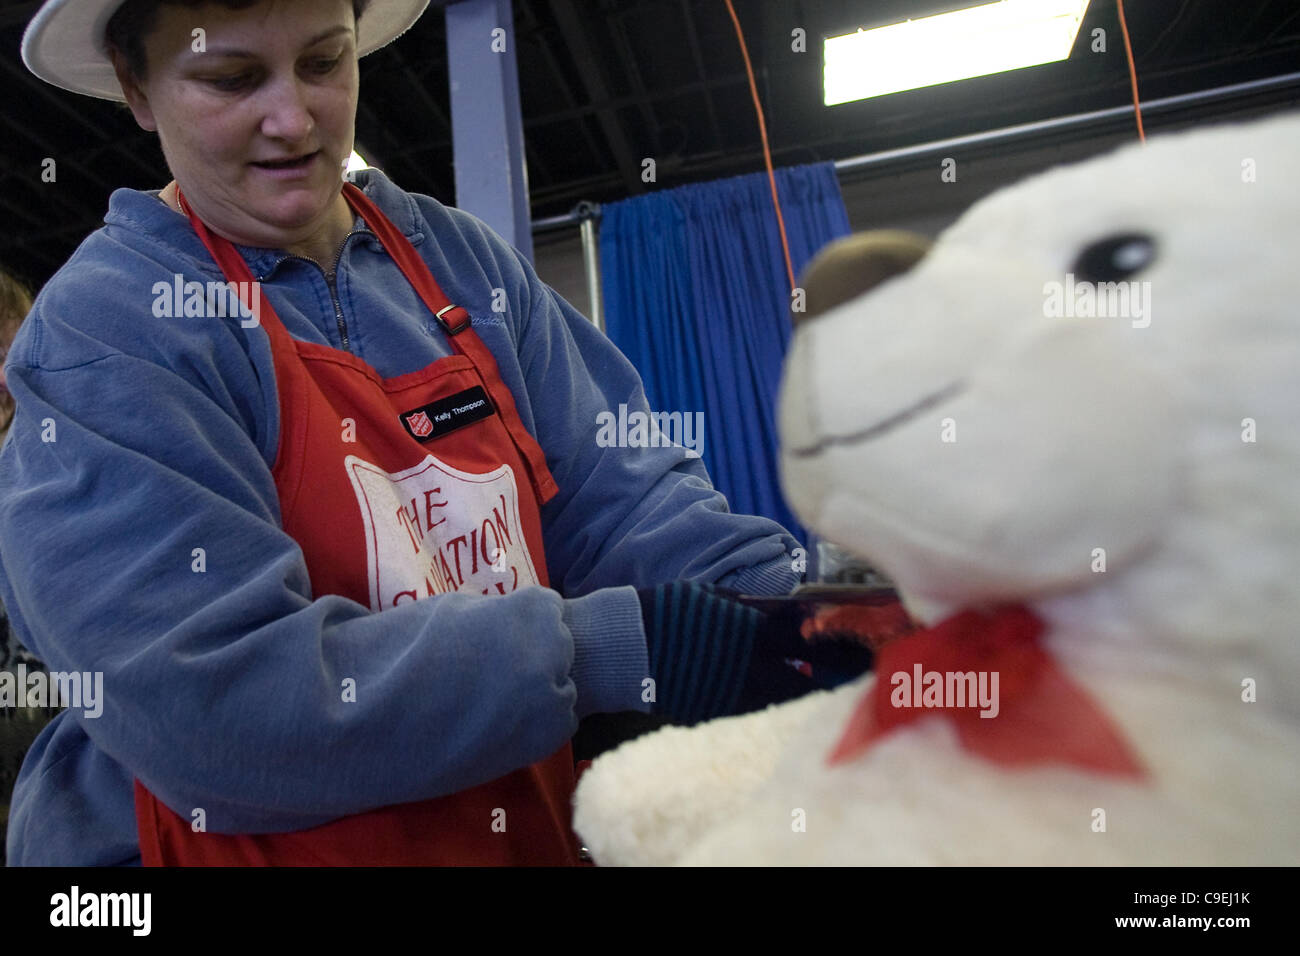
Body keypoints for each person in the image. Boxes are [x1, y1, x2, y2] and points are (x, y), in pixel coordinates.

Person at [1, 0, 836, 866]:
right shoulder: (106, 333)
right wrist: (609, 650)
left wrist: (791, 614)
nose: (293, 119)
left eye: (325, 63)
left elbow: (625, 503)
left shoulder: (461, 263)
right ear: (137, 87)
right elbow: (216, 707)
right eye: (233, 78)